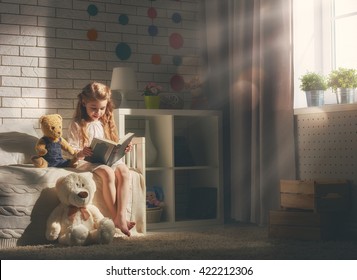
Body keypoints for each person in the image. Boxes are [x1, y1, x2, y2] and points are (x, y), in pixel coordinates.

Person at [67, 81, 135, 237]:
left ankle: (121, 216)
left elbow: (113, 144)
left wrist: (123, 149)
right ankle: (115, 216)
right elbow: (71, 150)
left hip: (107, 159)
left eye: (102, 108)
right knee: (107, 173)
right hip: (87, 161)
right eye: (94, 108)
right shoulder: (77, 124)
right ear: (84, 103)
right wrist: (81, 152)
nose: (98, 112)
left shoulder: (106, 122)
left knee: (124, 171)